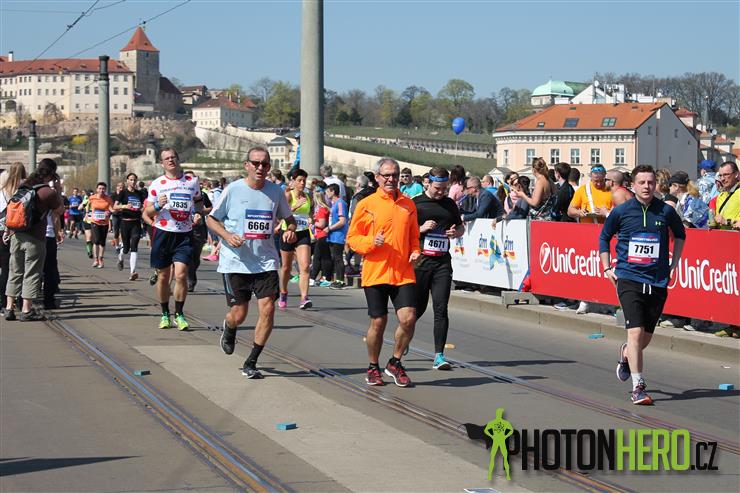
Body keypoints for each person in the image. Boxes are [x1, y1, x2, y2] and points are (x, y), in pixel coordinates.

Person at [207, 146, 296, 379]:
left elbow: (289, 218)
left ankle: (252, 361)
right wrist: (227, 236)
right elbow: (211, 219)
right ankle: (230, 327)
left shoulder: (275, 191)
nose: (260, 168)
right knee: (239, 313)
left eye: (265, 164)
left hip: (265, 262)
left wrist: (290, 229)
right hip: (235, 262)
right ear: (246, 165)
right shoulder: (233, 189)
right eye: (255, 163)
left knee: (268, 309)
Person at [599, 164, 685, 405]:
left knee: (643, 339)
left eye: (650, 182)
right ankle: (638, 387)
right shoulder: (622, 211)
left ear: (656, 184)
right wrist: (607, 267)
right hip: (629, 277)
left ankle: (626, 353)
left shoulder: (665, 211)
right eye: (642, 182)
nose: (647, 187)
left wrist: (674, 264)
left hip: (657, 280)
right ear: (633, 185)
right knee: (635, 332)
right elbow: (604, 237)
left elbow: (680, 235)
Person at [346, 157, 420, 387]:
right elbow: (352, 238)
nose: (391, 179)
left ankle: (395, 362)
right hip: (375, 271)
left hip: (402, 271)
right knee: (378, 321)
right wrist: (371, 242)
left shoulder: (408, 204)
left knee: (409, 318)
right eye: (386, 175)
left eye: (395, 175)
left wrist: (416, 251)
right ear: (377, 177)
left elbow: (414, 236)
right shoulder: (366, 204)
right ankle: (373, 366)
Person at [143, 147, 204, 330]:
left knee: (181, 274)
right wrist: (157, 205)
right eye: (167, 158)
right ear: (162, 163)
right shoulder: (157, 184)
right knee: (163, 277)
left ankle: (179, 314)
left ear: (178, 159)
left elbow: (198, 201)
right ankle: (164, 314)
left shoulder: (192, 182)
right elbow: (147, 212)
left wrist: (198, 214)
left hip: (184, 234)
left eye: (173, 157)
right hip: (163, 233)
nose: (170, 160)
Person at [413, 166, 464, 370]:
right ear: (428, 183)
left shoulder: (449, 204)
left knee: (441, 308)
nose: (441, 192)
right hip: (420, 262)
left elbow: (460, 227)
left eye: (444, 188)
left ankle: (439, 355)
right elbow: (403, 231)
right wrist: (421, 229)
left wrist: (456, 233)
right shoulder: (416, 203)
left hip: (442, 262)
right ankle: (404, 336)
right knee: (416, 309)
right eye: (437, 188)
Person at [4, 158, 62, 321]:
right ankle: (26, 310)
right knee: (32, 273)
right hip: (35, 238)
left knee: (14, 272)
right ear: (52, 174)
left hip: (16, 235)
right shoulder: (47, 192)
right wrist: (57, 189)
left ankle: (9, 308)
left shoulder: (23, 186)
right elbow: (59, 210)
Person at [277, 168, 312, 309]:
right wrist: (295, 207)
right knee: (286, 267)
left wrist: (311, 219)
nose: (302, 183)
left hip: (303, 233)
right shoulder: (288, 195)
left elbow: (309, 213)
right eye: (299, 180)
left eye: (304, 180)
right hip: (288, 233)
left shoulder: (308, 196)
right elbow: (280, 214)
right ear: (293, 181)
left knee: (305, 266)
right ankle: (283, 292)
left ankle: (304, 298)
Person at [0, 162, 27, 313]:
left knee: (5, 268)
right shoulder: (25, 189)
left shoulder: (3, 190)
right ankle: (22, 302)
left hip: (3, 231)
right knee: (21, 268)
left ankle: (5, 303)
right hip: (20, 231)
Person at [114, 173, 147, 280]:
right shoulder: (123, 193)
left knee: (134, 246)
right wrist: (125, 206)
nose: (133, 182)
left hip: (136, 223)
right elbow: (115, 206)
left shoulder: (140, 193)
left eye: (134, 180)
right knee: (126, 248)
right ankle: (121, 257)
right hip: (125, 222)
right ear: (127, 181)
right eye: (131, 180)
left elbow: (144, 205)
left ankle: (133, 272)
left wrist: (143, 208)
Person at [185, 171, 213, 292]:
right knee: (188, 254)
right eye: (188, 178)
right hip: (184, 228)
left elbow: (210, 207)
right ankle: (190, 281)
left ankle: (190, 273)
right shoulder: (181, 193)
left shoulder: (202, 194)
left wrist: (201, 212)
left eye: (193, 178)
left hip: (199, 228)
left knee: (195, 257)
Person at [325, 183, 349, 289]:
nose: (326, 194)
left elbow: (342, 221)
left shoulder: (340, 203)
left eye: (327, 191)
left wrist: (330, 228)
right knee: (334, 258)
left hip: (338, 235)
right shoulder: (334, 204)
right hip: (332, 235)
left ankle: (341, 281)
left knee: (338, 258)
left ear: (333, 191)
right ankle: (337, 279)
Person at [309, 182, 332, 285]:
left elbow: (322, 224)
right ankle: (322, 277)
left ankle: (316, 278)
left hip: (322, 235)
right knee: (322, 257)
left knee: (319, 258)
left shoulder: (322, 209)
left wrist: (312, 222)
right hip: (320, 235)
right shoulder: (323, 209)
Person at [88, 182, 115, 268]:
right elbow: (87, 205)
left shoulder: (108, 199)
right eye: (100, 188)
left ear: (105, 190)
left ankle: (101, 259)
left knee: (102, 242)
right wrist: (87, 213)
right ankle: (95, 259)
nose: (101, 190)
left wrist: (109, 212)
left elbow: (112, 209)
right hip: (95, 222)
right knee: (96, 240)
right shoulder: (92, 198)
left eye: (103, 189)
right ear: (97, 189)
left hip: (104, 223)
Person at [714, 161, 740, 230]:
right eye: (720, 175)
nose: (722, 179)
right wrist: (713, 223)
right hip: (721, 235)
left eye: (725, 174)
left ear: (736, 174)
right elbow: (719, 220)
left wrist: (727, 222)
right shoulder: (721, 195)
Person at [110, 181, 124, 253]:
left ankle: (122, 244)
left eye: (122, 187)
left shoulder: (125, 195)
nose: (121, 188)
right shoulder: (113, 195)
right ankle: (117, 246)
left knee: (123, 230)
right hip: (116, 215)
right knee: (116, 232)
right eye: (120, 187)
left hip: (123, 215)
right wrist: (113, 210)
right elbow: (110, 205)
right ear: (117, 187)